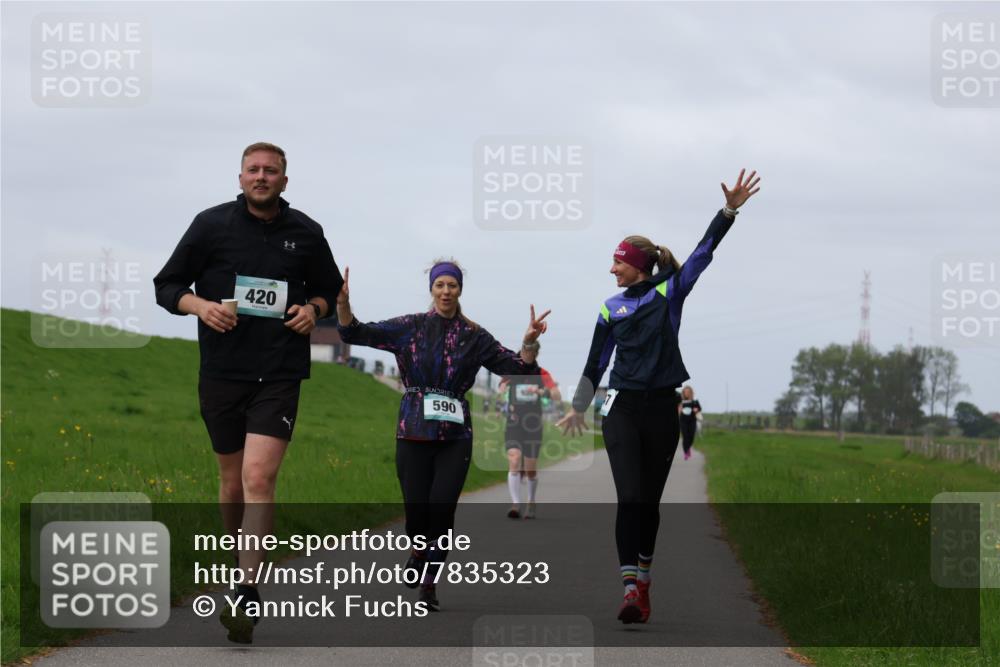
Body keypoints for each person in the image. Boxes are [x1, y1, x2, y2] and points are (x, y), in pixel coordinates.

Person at [153, 142, 344, 643]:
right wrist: (200, 306)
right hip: (222, 372)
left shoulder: (306, 232)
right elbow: (166, 285)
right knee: (232, 482)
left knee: (259, 477)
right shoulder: (210, 225)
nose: (262, 177)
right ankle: (240, 552)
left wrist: (314, 310)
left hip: (279, 373)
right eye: (253, 170)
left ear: (285, 180)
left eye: (271, 171)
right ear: (240, 177)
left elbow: (326, 291)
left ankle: (246, 587)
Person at [557, 169, 761, 624]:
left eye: (618, 262)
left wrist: (728, 211)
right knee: (629, 496)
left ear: (637, 265)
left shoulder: (670, 292)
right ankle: (629, 587)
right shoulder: (609, 308)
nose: (611, 268)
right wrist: (578, 407)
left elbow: (702, 254)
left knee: (648, 502)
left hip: (662, 410)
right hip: (622, 407)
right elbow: (596, 362)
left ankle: (644, 581)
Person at [335, 259, 549, 611]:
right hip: (413, 431)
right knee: (417, 509)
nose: (446, 291)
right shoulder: (411, 327)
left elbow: (519, 369)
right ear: (432, 289)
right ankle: (418, 551)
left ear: (460, 289)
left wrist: (529, 343)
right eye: (440, 285)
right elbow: (356, 333)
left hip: (455, 437)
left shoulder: (474, 336)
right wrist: (343, 306)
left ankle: (429, 583)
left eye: (452, 285)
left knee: (443, 508)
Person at [498, 368, 561, 519]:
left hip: (533, 426)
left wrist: (540, 391)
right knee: (514, 459)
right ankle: (515, 504)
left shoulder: (542, 373)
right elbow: (501, 389)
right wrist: (504, 396)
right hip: (514, 423)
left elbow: (557, 396)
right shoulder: (513, 369)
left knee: (530, 470)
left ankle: (531, 501)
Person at [678, 385, 702, 460]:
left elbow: (699, 408)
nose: (687, 393)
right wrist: (679, 409)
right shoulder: (680, 401)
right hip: (683, 421)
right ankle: (686, 453)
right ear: (683, 393)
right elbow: (677, 410)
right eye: (685, 392)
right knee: (685, 436)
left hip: (692, 420)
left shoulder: (695, 401)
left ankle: (688, 448)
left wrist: (696, 409)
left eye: (688, 392)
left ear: (691, 393)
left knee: (691, 436)